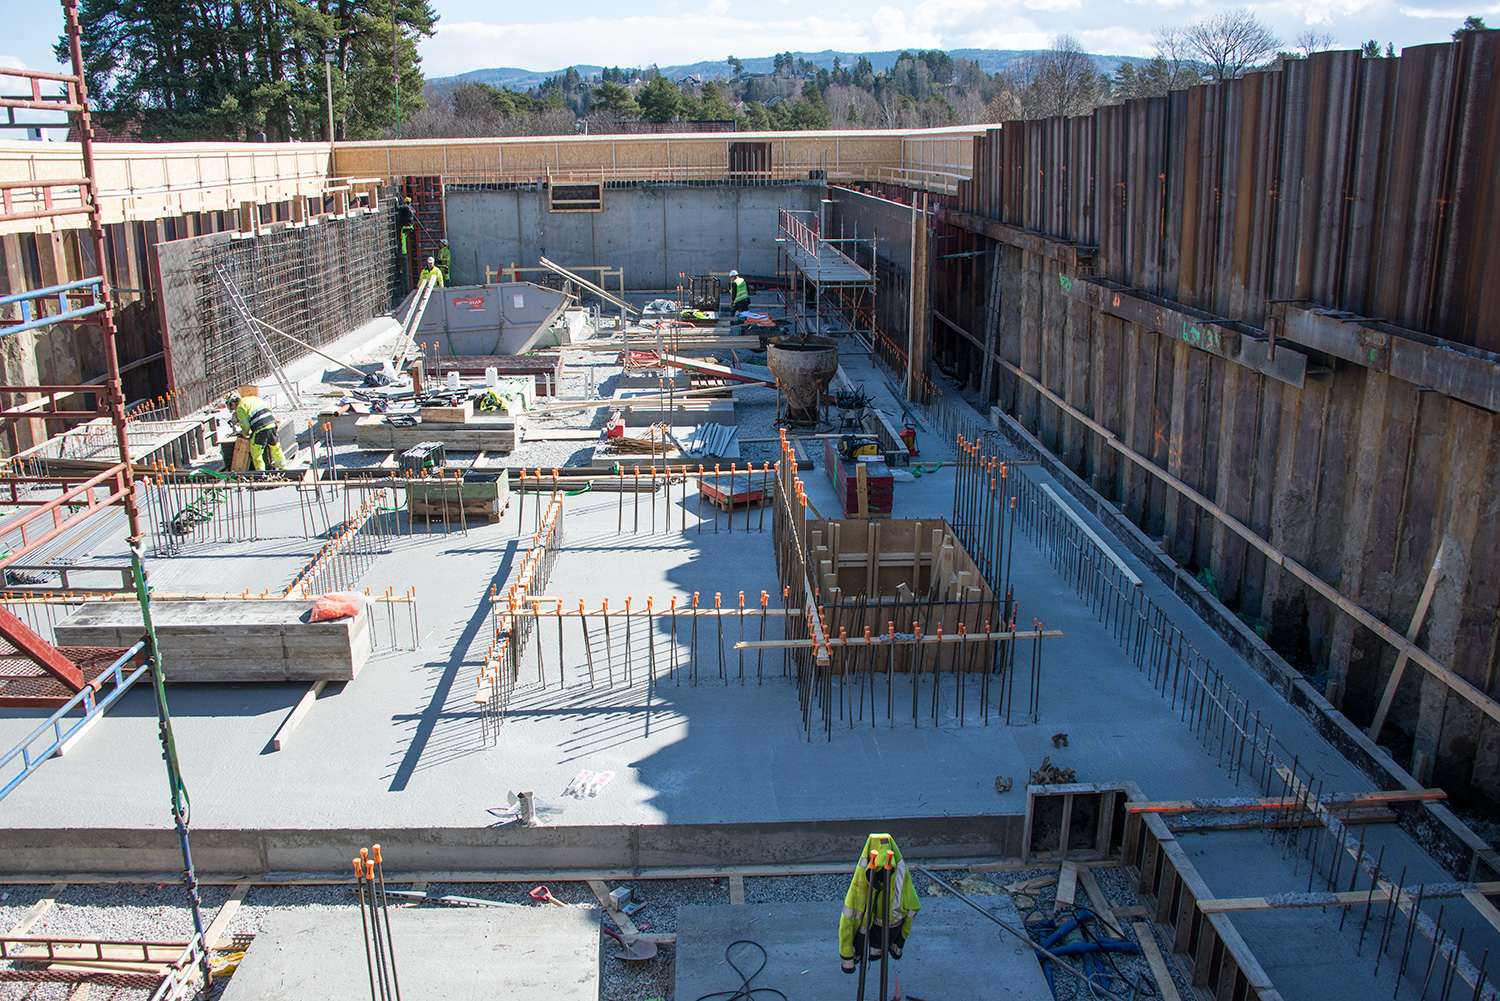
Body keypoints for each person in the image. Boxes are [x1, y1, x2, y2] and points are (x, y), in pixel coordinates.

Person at [225, 391, 285, 472]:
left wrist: (244, 434)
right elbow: (269, 410)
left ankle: (261, 473)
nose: (234, 410)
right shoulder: (254, 399)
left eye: (232, 408)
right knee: (276, 447)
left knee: (256, 452)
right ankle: (284, 469)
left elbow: (245, 426)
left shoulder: (240, 407)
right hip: (272, 424)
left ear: (232, 403)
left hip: (260, 428)